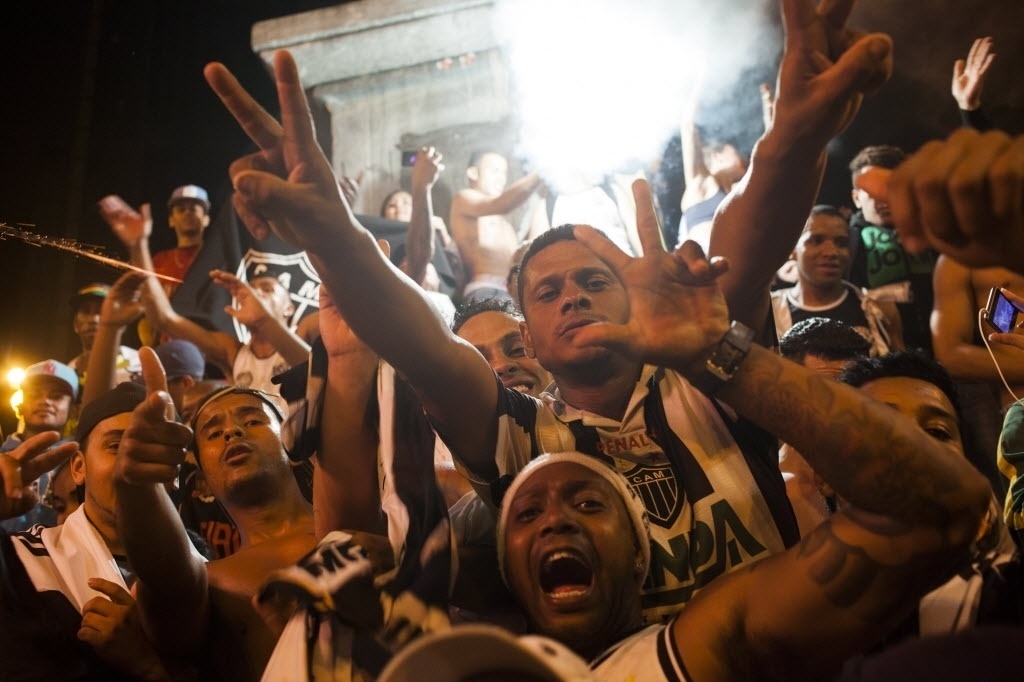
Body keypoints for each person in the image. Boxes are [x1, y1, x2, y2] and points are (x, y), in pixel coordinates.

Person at [202, 0, 894, 622]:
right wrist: (336, 238)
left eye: (593, 280)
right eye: (548, 292)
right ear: (527, 337)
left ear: (632, 296)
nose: (574, 297)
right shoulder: (520, 434)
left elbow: (747, 247)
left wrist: (793, 137)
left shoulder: (700, 376)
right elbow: (426, 348)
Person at [115, 382, 316, 680]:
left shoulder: (356, 521)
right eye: (212, 433)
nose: (231, 431)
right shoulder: (212, 583)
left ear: (293, 447)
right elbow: (166, 577)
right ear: (203, 481)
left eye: (252, 420)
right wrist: (137, 485)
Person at [0, 372, 193, 680]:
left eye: (152, 449)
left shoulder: (211, 569)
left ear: (175, 473)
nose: (133, 462)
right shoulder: (22, 559)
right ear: (79, 467)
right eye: (116, 445)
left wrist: (148, 665)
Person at [777, 318, 871, 534]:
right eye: (823, 393)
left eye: (851, 391)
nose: (838, 407)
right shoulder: (782, 489)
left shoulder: (893, 462)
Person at [772, 205, 903, 356]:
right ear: (792, 249)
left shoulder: (879, 309)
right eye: (816, 240)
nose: (831, 252)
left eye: (841, 243)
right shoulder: (770, 313)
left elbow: (900, 367)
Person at [846, 144, 938, 354]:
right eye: (872, 190)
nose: (883, 197)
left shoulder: (934, 233)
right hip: (882, 356)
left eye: (891, 187)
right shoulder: (844, 242)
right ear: (856, 198)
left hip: (940, 349)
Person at [449, 149, 542, 301]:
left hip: (513, 294)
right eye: (495, 171)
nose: (501, 179)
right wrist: (541, 172)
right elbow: (501, 204)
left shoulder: (506, 226)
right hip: (485, 290)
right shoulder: (463, 199)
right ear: (473, 173)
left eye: (504, 173)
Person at [1, 358, 79, 531]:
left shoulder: (80, 458)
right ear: (20, 405)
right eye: (34, 395)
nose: (45, 401)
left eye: (56, 396)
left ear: (73, 410)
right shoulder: (1, 455)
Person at [66, 283, 141, 390]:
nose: (93, 319)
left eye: (102, 311)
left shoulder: (140, 364)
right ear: (75, 324)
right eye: (86, 311)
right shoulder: (68, 373)